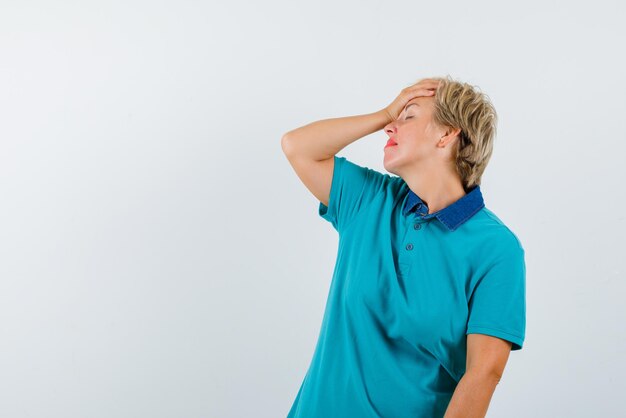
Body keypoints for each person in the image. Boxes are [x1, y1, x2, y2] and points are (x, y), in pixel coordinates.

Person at [280, 75, 526, 418]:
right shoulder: (369, 200)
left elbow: (483, 374)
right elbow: (297, 146)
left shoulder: (497, 249)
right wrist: (385, 112)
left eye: (408, 116)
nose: (391, 127)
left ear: (447, 134)